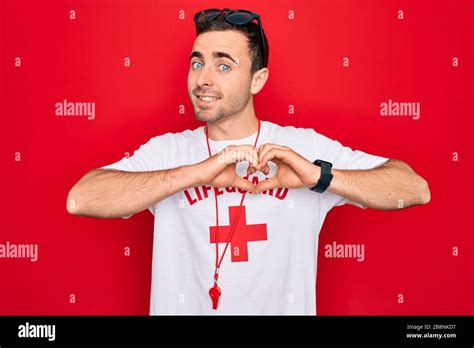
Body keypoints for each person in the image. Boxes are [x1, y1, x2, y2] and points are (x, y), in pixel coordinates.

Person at [66, 8, 431, 315]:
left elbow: (414, 188)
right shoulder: (168, 152)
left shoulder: (302, 146)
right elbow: (81, 198)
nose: (203, 79)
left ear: (258, 80)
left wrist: (317, 176)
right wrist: (197, 173)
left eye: (224, 66)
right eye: (197, 63)